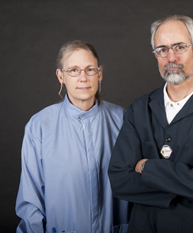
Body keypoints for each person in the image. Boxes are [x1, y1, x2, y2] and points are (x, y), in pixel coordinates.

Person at [108, 15, 193, 233]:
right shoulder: (139, 108)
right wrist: (188, 188)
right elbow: (120, 180)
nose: (171, 57)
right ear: (156, 56)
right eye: (162, 49)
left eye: (179, 47)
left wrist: (147, 167)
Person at [15, 40, 130, 233]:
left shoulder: (123, 119)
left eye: (90, 70)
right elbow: (30, 200)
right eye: (74, 70)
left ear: (99, 74)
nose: (83, 78)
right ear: (61, 76)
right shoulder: (40, 126)